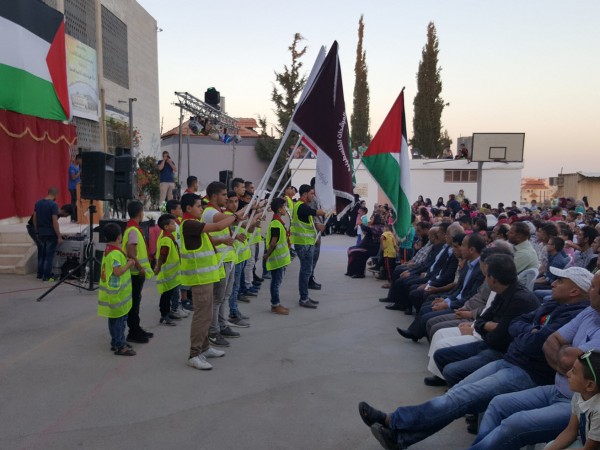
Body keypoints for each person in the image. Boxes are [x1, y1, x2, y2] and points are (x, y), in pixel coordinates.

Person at [358, 256, 582, 450]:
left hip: (527, 373)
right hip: (512, 359)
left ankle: (394, 421)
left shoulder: (571, 314)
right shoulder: (552, 304)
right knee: (455, 394)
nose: (553, 283)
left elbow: (533, 341)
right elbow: (514, 326)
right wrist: (528, 331)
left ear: (574, 291)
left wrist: (528, 332)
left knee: (459, 397)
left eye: (561, 281)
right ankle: (401, 437)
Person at [471, 269, 599, 449]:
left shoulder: (582, 311)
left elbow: (564, 355)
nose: (589, 291)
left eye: (593, 287)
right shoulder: (590, 312)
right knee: (497, 404)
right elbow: (551, 341)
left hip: (574, 401)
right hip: (555, 388)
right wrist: (566, 359)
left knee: (514, 423)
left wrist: (563, 351)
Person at [180, 193, 240, 370]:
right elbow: (219, 226)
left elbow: (210, 239)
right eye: (199, 206)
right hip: (199, 278)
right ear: (188, 208)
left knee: (206, 316)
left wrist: (222, 239)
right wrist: (235, 216)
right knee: (202, 316)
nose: (201, 209)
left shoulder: (194, 224)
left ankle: (204, 348)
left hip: (206, 277)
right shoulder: (189, 224)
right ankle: (194, 354)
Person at [202, 182, 244, 347]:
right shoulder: (210, 212)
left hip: (227, 258)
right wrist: (245, 211)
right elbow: (227, 221)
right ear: (214, 196)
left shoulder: (219, 211)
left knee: (225, 296)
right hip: (218, 260)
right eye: (224, 195)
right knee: (217, 298)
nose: (227, 198)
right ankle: (213, 331)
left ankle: (222, 324)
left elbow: (231, 223)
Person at [544, 351, 600, 449]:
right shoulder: (579, 394)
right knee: (549, 446)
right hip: (584, 441)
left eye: (573, 371)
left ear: (590, 385)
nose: (567, 373)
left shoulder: (598, 410)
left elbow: (591, 447)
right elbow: (571, 430)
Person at [98, 223, 136, 356]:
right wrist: (129, 264)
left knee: (114, 318)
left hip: (113, 293)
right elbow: (117, 272)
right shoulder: (115, 254)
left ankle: (116, 341)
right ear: (119, 237)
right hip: (117, 294)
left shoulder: (108, 250)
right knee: (119, 320)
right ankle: (120, 345)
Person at [122, 201, 154, 344]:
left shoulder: (132, 228)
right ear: (140, 213)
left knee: (136, 301)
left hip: (135, 272)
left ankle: (136, 328)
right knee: (134, 303)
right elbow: (131, 252)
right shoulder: (133, 231)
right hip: (135, 273)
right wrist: (141, 268)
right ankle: (133, 331)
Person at [290, 184, 326, 308]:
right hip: (304, 244)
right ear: (305, 194)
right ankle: (304, 298)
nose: (313, 196)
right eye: (311, 193)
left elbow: (309, 223)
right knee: (305, 271)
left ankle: (305, 296)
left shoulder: (301, 206)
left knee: (306, 271)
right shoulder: (302, 206)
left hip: (306, 242)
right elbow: (315, 212)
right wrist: (323, 211)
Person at [264, 197, 291, 315]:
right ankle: (275, 305)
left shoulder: (278, 222)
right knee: (275, 282)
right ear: (279, 209)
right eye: (284, 207)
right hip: (277, 260)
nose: (285, 209)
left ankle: (277, 303)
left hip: (279, 260)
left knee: (277, 282)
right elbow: (273, 243)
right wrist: (266, 255)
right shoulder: (276, 223)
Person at [153, 214, 181, 327]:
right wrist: (158, 267)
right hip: (167, 273)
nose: (175, 225)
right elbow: (163, 255)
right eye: (172, 224)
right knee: (166, 295)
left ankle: (168, 313)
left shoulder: (169, 236)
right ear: (166, 227)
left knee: (169, 294)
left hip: (172, 273)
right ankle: (164, 315)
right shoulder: (165, 239)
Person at [33, 187, 64, 282]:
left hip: (41, 233)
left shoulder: (38, 203)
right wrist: (59, 236)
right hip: (50, 233)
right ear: (56, 195)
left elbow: (34, 218)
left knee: (42, 254)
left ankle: (40, 274)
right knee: (49, 255)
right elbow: (55, 221)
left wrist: (36, 231)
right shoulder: (53, 204)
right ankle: (47, 276)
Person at [346, 213, 385, 278]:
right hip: (368, 246)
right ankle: (351, 271)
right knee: (350, 249)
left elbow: (368, 230)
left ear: (376, 219)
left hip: (373, 248)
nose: (370, 219)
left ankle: (359, 273)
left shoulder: (379, 227)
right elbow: (367, 230)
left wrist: (361, 224)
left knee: (357, 253)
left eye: (372, 218)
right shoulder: (373, 226)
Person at [381, 224, 399, 289]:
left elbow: (381, 238)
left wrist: (382, 246)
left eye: (384, 228)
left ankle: (390, 283)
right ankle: (392, 282)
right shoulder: (392, 234)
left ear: (387, 228)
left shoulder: (386, 233)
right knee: (392, 268)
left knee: (388, 269)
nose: (383, 229)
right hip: (393, 254)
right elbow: (395, 244)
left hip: (388, 254)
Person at [68, 154, 81, 223]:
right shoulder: (72, 167)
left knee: (77, 201)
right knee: (74, 202)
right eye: (81, 160)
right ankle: (73, 217)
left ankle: (77, 216)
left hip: (77, 187)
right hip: (73, 187)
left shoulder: (79, 166)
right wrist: (80, 172)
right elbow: (73, 177)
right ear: (78, 159)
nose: (81, 161)